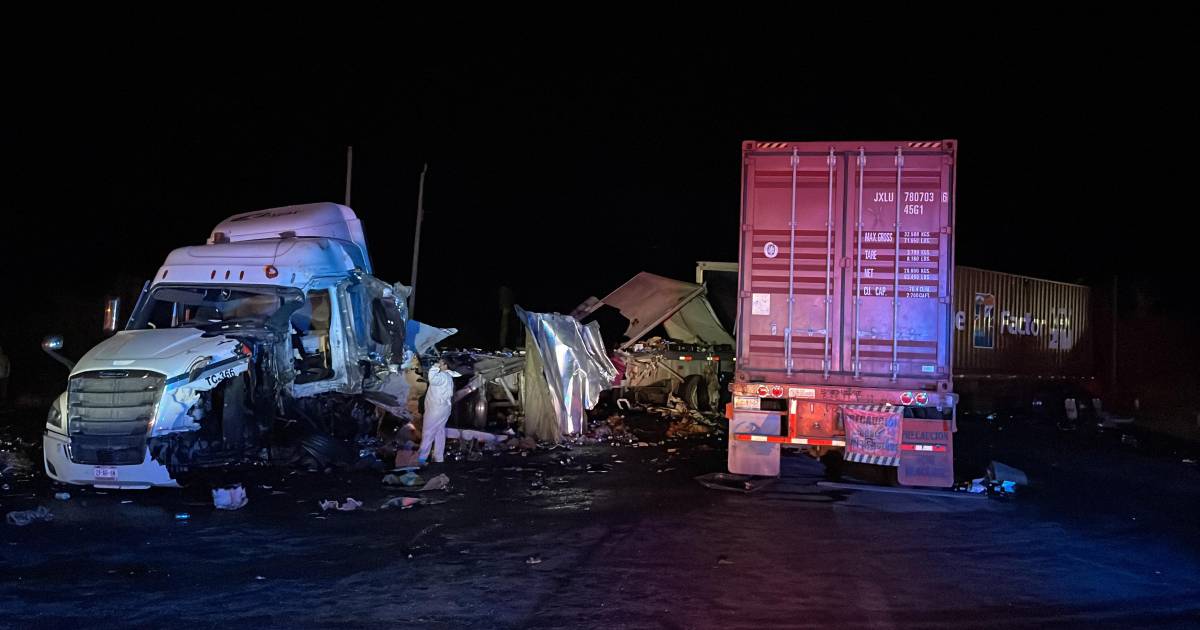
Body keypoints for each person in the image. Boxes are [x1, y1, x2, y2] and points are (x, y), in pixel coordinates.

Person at [418, 359, 460, 466]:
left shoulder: (442, 376)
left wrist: (434, 368)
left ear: (445, 365)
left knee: (428, 432)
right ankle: (438, 457)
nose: (438, 363)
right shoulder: (449, 375)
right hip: (444, 409)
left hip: (435, 409)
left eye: (440, 363)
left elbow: (432, 379)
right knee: (439, 432)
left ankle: (421, 459)